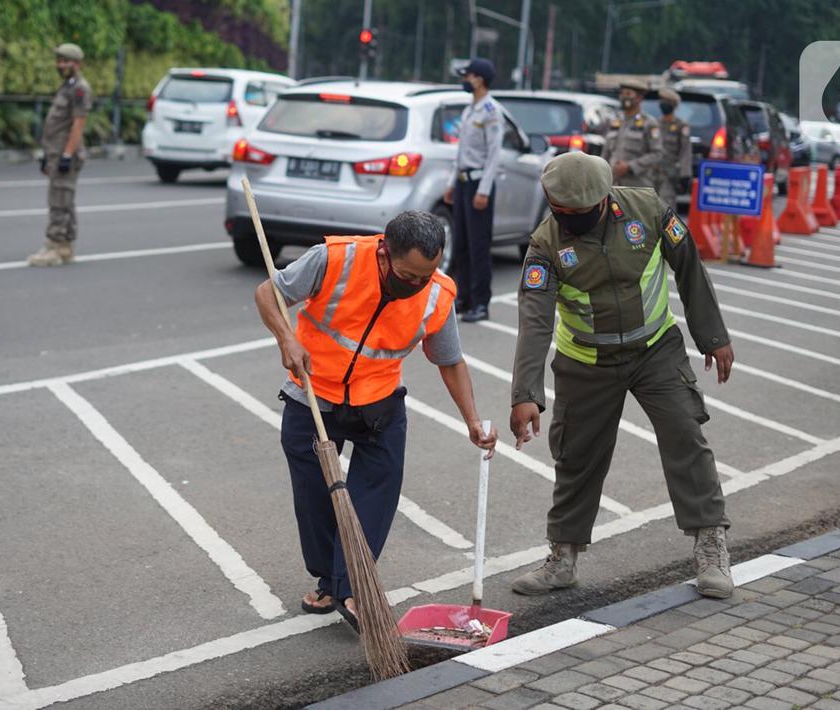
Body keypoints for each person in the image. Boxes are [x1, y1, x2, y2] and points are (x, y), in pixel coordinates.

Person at [508, 152, 736, 599]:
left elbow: (689, 265)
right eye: (560, 212)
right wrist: (526, 393)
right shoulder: (545, 244)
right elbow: (534, 320)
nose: (568, 220)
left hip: (655, 350)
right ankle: (563, 558)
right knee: (576, 458)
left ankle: (711, 547)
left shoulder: (647, 210)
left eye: (578, 214)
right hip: (585, 363)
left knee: (685, 435)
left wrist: (712, 335)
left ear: (602, 199)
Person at [255, 211, 497, 625]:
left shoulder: (436, 292)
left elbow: (449, 361)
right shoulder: (335, 259)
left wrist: (472, 419)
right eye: (409, 275)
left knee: (375, 496)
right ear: (385, 253)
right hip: (315, 395)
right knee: (315, 497)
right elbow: (267, 292)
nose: (417, 285)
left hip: (379, 402)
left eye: (428, 273)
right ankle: (329, 582)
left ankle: (352, 589)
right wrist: (287, 339)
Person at [442, 58, 503, 323]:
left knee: (479, 245)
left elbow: (494, 154)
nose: (465, 80)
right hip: (464, 181)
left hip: (480, 184)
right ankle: (463, 298)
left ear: (479, 79)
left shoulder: (491, 111)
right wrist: (451, 183)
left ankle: (481, 302)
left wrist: (485, 190)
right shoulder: (470, 110)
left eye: (468, 76)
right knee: (462, 244)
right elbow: (461, 153)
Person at [27, 43, 94, 267]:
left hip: (66, 152)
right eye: (59, 61)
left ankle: (54, 246)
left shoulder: (79, 89)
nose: (61, 65)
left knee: (59, 199)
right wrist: (49, 154)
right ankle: (65, 245)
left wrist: (67, 154)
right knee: (65, 199)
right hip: (56, 151)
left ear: (77, 64)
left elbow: (78, 124)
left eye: (66, 61)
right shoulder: (67, 87)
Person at [602, 80, 662, 189]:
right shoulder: (615, 121)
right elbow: (606, 153)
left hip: (637, 186)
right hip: (613, 184)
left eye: (628, 94)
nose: (624, 97)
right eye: (622, 94)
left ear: (639, 98)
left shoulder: (649, 123)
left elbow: (657, 154)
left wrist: (630, 166)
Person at [655, 88, 691, 206]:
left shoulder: (681, 125)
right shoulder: (655, 124)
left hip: (669, 173)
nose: (662, 104)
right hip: (652, 172)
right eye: (661, 101)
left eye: (665, 101)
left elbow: (685, 151)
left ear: (673, 105)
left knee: (666, 204)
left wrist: (685, 174)